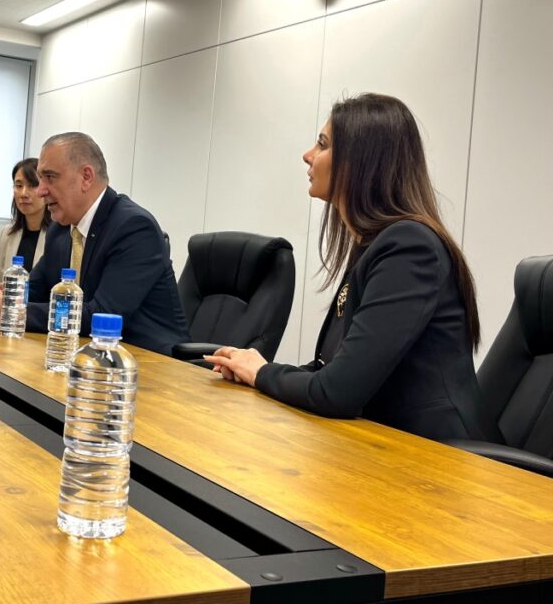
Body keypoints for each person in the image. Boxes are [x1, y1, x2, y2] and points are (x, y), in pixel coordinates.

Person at [205, 94, 501, 443]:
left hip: (444, 459)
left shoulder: (409, 247)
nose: (308, 155)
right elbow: (329, 370)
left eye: (322, 144)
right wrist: (254, 369)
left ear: (360, 162)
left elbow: (337, 392)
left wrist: (263, 373)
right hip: (389, 446)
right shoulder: (373, 246)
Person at [0, 132, 188, 354]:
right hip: (82, 355)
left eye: (50, 177)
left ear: (86, 177)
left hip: (146, 361)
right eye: (41, 179)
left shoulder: (134, 227)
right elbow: (35, 290)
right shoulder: (60, 229)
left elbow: (100, 315)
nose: (41, 191)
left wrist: (12, 312)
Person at [0, 157, 50, 284]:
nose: (23, 193)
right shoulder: (7, 233)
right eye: (18, 185)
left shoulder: (60, 236)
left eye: (32, 185)